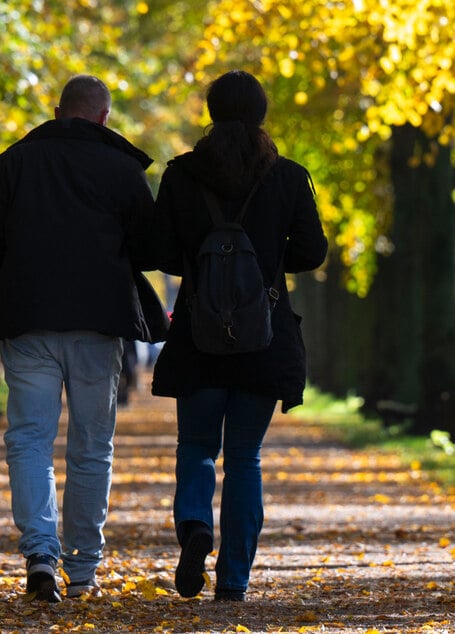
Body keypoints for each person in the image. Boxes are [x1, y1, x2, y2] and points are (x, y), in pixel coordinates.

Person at [0, 74, 167, 602]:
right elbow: (150, 249)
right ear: (104, 117)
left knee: (28, 439)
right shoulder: (122, 167)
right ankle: (84, 567)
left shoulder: (15, 165)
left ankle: (40, 554)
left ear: (56, 111)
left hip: (27, 321)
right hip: (99, 323)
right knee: (92, 447)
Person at [149, 70, 328, 602]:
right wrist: (267, 265)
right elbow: (312, 252)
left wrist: (198, 260)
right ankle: (233, 582)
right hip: (263, 339)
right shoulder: (289, 177)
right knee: (244, 457)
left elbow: (158, 250)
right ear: (261, 113)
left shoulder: (182, 175)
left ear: (211, 111)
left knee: (197, 445)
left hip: (199, 338)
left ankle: (195, 525)